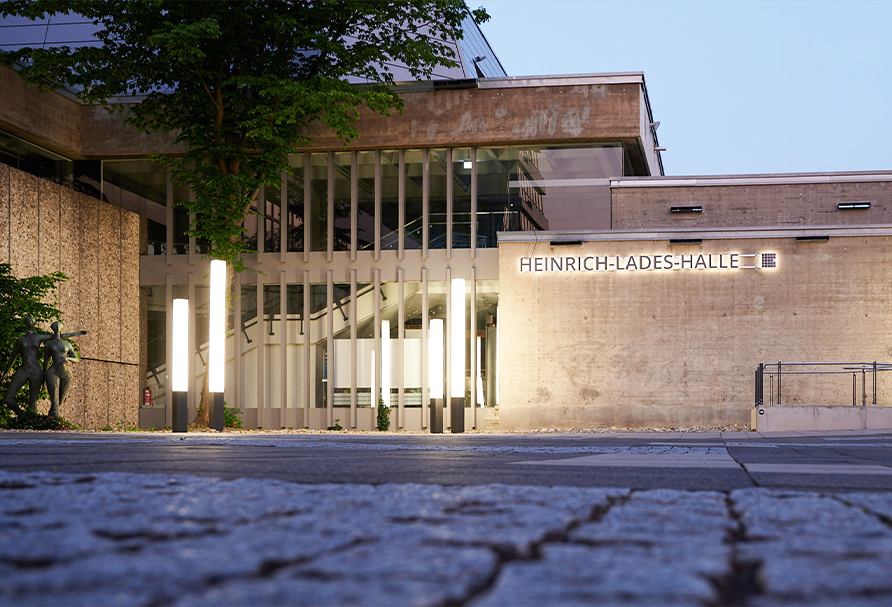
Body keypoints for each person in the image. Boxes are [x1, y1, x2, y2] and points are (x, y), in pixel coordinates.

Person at [1, 316, 85, 415]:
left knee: (33, 403)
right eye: (28, 321)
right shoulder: (20, 340)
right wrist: (5, 374)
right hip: (24, 369)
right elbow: (13, 357)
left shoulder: (38, 337)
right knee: (8, 398)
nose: (30, 321)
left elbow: (58, 336)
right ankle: (22, 416)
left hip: (36, 372)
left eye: (32, 320)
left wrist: (77, 333)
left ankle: (30, 419)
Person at [42, 321, 81, 418]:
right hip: (53, 372)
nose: (57, 328)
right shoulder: (49, 345)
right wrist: (44, 379)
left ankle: (50, 419)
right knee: (54, 402)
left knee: (59, 401)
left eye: (59, 327)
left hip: (66, 373)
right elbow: (46, 362)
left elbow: (76, 359)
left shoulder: (67, 344)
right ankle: (56, 420)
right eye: (56, 327)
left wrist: (67, 358)